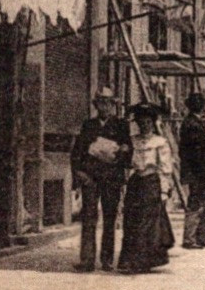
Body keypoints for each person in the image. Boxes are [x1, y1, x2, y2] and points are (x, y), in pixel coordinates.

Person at [72, 87, 132, 272]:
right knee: (89, 218)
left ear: (113, 105)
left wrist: (124, 151)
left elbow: (129, 149)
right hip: (91, 178)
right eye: (100, 102)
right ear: (96, 105)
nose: (104, 106)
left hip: (112, 178)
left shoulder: (121, 125)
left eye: (108, 103)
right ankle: (87, 260)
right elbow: (78, 151)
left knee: (109, 218)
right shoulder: (88, 125)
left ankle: (107, 259)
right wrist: (79, 174)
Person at [116, 103, 175, 274]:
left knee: (147, 222)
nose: (144, 126)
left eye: (148, 122)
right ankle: (129, 260)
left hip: (151, 182)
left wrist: (164, 191)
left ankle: (143, 261)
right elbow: (126, 163)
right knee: (131, 220)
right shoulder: (132, 141)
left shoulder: (160, 142)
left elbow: (165, 168)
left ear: (153, 123)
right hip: (136, 182)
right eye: (141, 122)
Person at [178, 92, 205, 249]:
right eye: (204, 106)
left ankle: (202, 237)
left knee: (202, 202)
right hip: (197, 171)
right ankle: (190, 238)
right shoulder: (193, 125)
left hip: (198, 170)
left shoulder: (193, 122)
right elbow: (197, 153)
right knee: (196, 203)